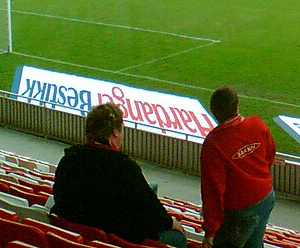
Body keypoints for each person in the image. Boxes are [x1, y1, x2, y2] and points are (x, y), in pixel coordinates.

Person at [51, 103, 186, 248]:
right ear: (115, 132)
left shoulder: (69, 159)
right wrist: (170, 222)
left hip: (81, 226)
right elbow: (152, 215)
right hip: (118, 233)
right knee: (178, 237)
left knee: (151, 188)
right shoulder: (125, 168)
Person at [200, 86, 276, 248]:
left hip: (241, 210)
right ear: (237, 106)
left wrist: (210, 231)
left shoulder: (214, 144)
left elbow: (212, 189)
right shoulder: (257, 124)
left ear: (213, 111)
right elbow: (269, 156)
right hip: (266, 197)